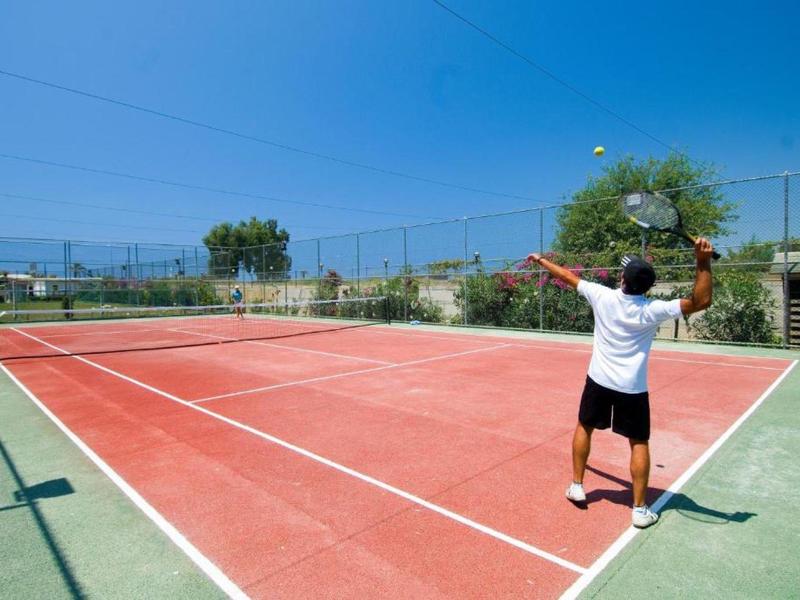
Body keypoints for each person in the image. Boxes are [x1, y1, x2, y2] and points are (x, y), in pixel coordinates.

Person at [527, 237, 714, 528]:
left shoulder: (602, 296)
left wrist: (541, 260)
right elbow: (701, 301)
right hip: (632, 387)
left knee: (584, 428)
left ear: (623, 279)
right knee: (638, 442)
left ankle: (577, 485)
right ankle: (639, 510)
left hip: (598, 380)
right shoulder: (652, 310)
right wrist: (701, 262)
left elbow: (566, 276)